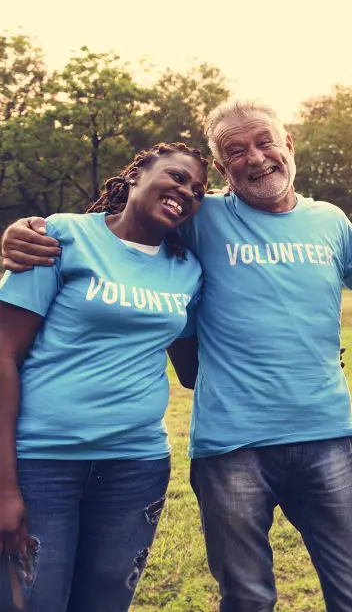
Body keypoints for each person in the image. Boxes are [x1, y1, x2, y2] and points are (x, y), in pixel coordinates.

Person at [1, 99, 352, 612]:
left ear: (288, 143)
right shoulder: (199, 216)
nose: (256, 158)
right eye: (236, 151)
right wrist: (22, 232)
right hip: (228, 446)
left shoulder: (330, 221)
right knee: (246, 598)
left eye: (264, 142)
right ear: (224, 171)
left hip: (321, 436)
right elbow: (121, 226)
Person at [0, 143, 208, 611]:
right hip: (42, 462)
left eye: (198, 191)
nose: (186, 192)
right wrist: (3, 485)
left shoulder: (187, 270)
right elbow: (4, 353)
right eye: (176, 177)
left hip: (136, 466)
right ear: (135, 175)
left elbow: (192, 370)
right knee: (33, 602)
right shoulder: (62, 236)